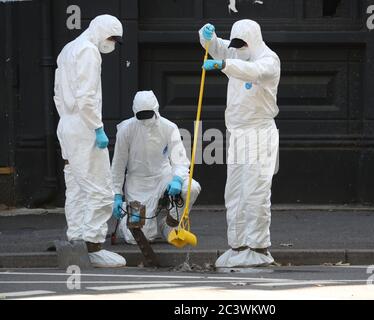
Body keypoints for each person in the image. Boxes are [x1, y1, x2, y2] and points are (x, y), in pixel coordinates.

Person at [199, 19, 280, 267]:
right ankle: (238, 245)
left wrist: (223, 64)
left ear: (253, 40)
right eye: (235, 44)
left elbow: (253, 72)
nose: (237, 48)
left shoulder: (269, 59)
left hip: (258, 134)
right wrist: (207, 38)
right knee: (234, 192)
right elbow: (217, 47)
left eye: (241, 44)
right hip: (237, 134)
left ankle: (258, 248)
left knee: (254, 192)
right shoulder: (237, 50)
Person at [54, 14, 126, 268]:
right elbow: (86, 96)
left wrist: (68, 120)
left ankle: (76, 239)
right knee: (100, 188)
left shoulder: (68, 49)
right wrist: (97, 127)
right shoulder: (88, 51)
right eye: (111, 38)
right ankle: (93, 246)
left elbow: (57, 93)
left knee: (75, 185)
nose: (112, 44)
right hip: (84, 125)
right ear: (99, 31)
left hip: (67, 124)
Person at [111, 91, 201, 244]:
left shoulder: (169, 127)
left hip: (163, 177)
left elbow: (180, 160)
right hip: (137, 183)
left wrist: (177, 179)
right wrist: (117, 194)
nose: (145, 119)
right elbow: (118, 164)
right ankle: (125, 225)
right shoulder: (126, 130)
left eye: (148, 114)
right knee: (139, 237)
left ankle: (170, 223)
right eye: (141, 115)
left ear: (156, 109)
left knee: (191, 187)